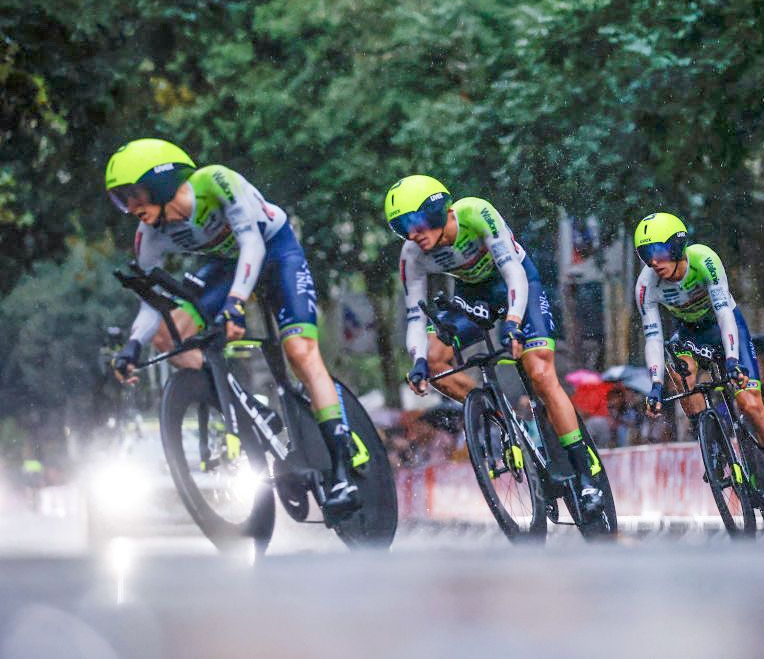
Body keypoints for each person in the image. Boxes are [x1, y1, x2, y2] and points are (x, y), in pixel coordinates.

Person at [104, 138, 361, 518]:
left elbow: (252, 245)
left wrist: (235, 305)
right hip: (226, 265)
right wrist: (132, 347)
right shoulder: (151, 235)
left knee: (300, 354)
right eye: (123, 200)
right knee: (169, 334)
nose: (131, 208)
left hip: (275, 251)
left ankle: (343, 470)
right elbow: (150, 301)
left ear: (160, 181)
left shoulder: (216, 182)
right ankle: (246, 408)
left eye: (134, 195)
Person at [385, 175, 607, 516]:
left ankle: (585, 473)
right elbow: (416, 314)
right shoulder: (412, 254)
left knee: (539, 372)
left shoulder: (476, 213)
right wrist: (417, 362)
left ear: (440, 210)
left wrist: (514, 323)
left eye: (416, 221)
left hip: (516, 285)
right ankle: (499, 415)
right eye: (402, 227)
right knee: (433, 366)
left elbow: (513, 273)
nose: (413, 234)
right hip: (474, 298)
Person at [633, 212, 764, 523]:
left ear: (678, 246)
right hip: (688, 335)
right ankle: (709, 438)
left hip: (723, 329)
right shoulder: (646, 285)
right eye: (646, 254)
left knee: (750, 403)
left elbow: (725, 313)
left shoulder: (704, 260)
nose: (653, 261)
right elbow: (653, 336)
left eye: (658, 251)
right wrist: (655, 383)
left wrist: (733, 360)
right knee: (680, 377)